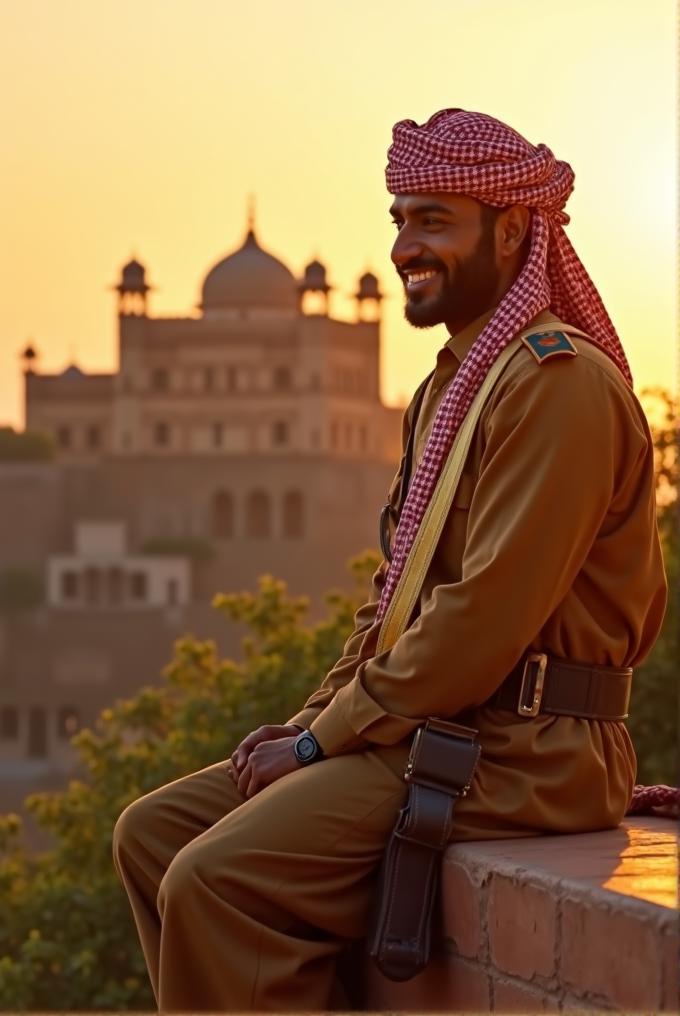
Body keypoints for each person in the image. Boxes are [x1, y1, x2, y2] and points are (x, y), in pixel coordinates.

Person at [113, 109, 666, 1013]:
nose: (409, 244)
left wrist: (322, 743)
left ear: (514, 227)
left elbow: (483, 617)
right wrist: (310, 722)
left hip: (529, 748)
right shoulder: (455, 387)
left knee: (214, 880)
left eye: (435, 220)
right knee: (153, 833)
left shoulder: (558, 388)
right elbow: (396, 604)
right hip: (434, 727)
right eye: (400, 220)